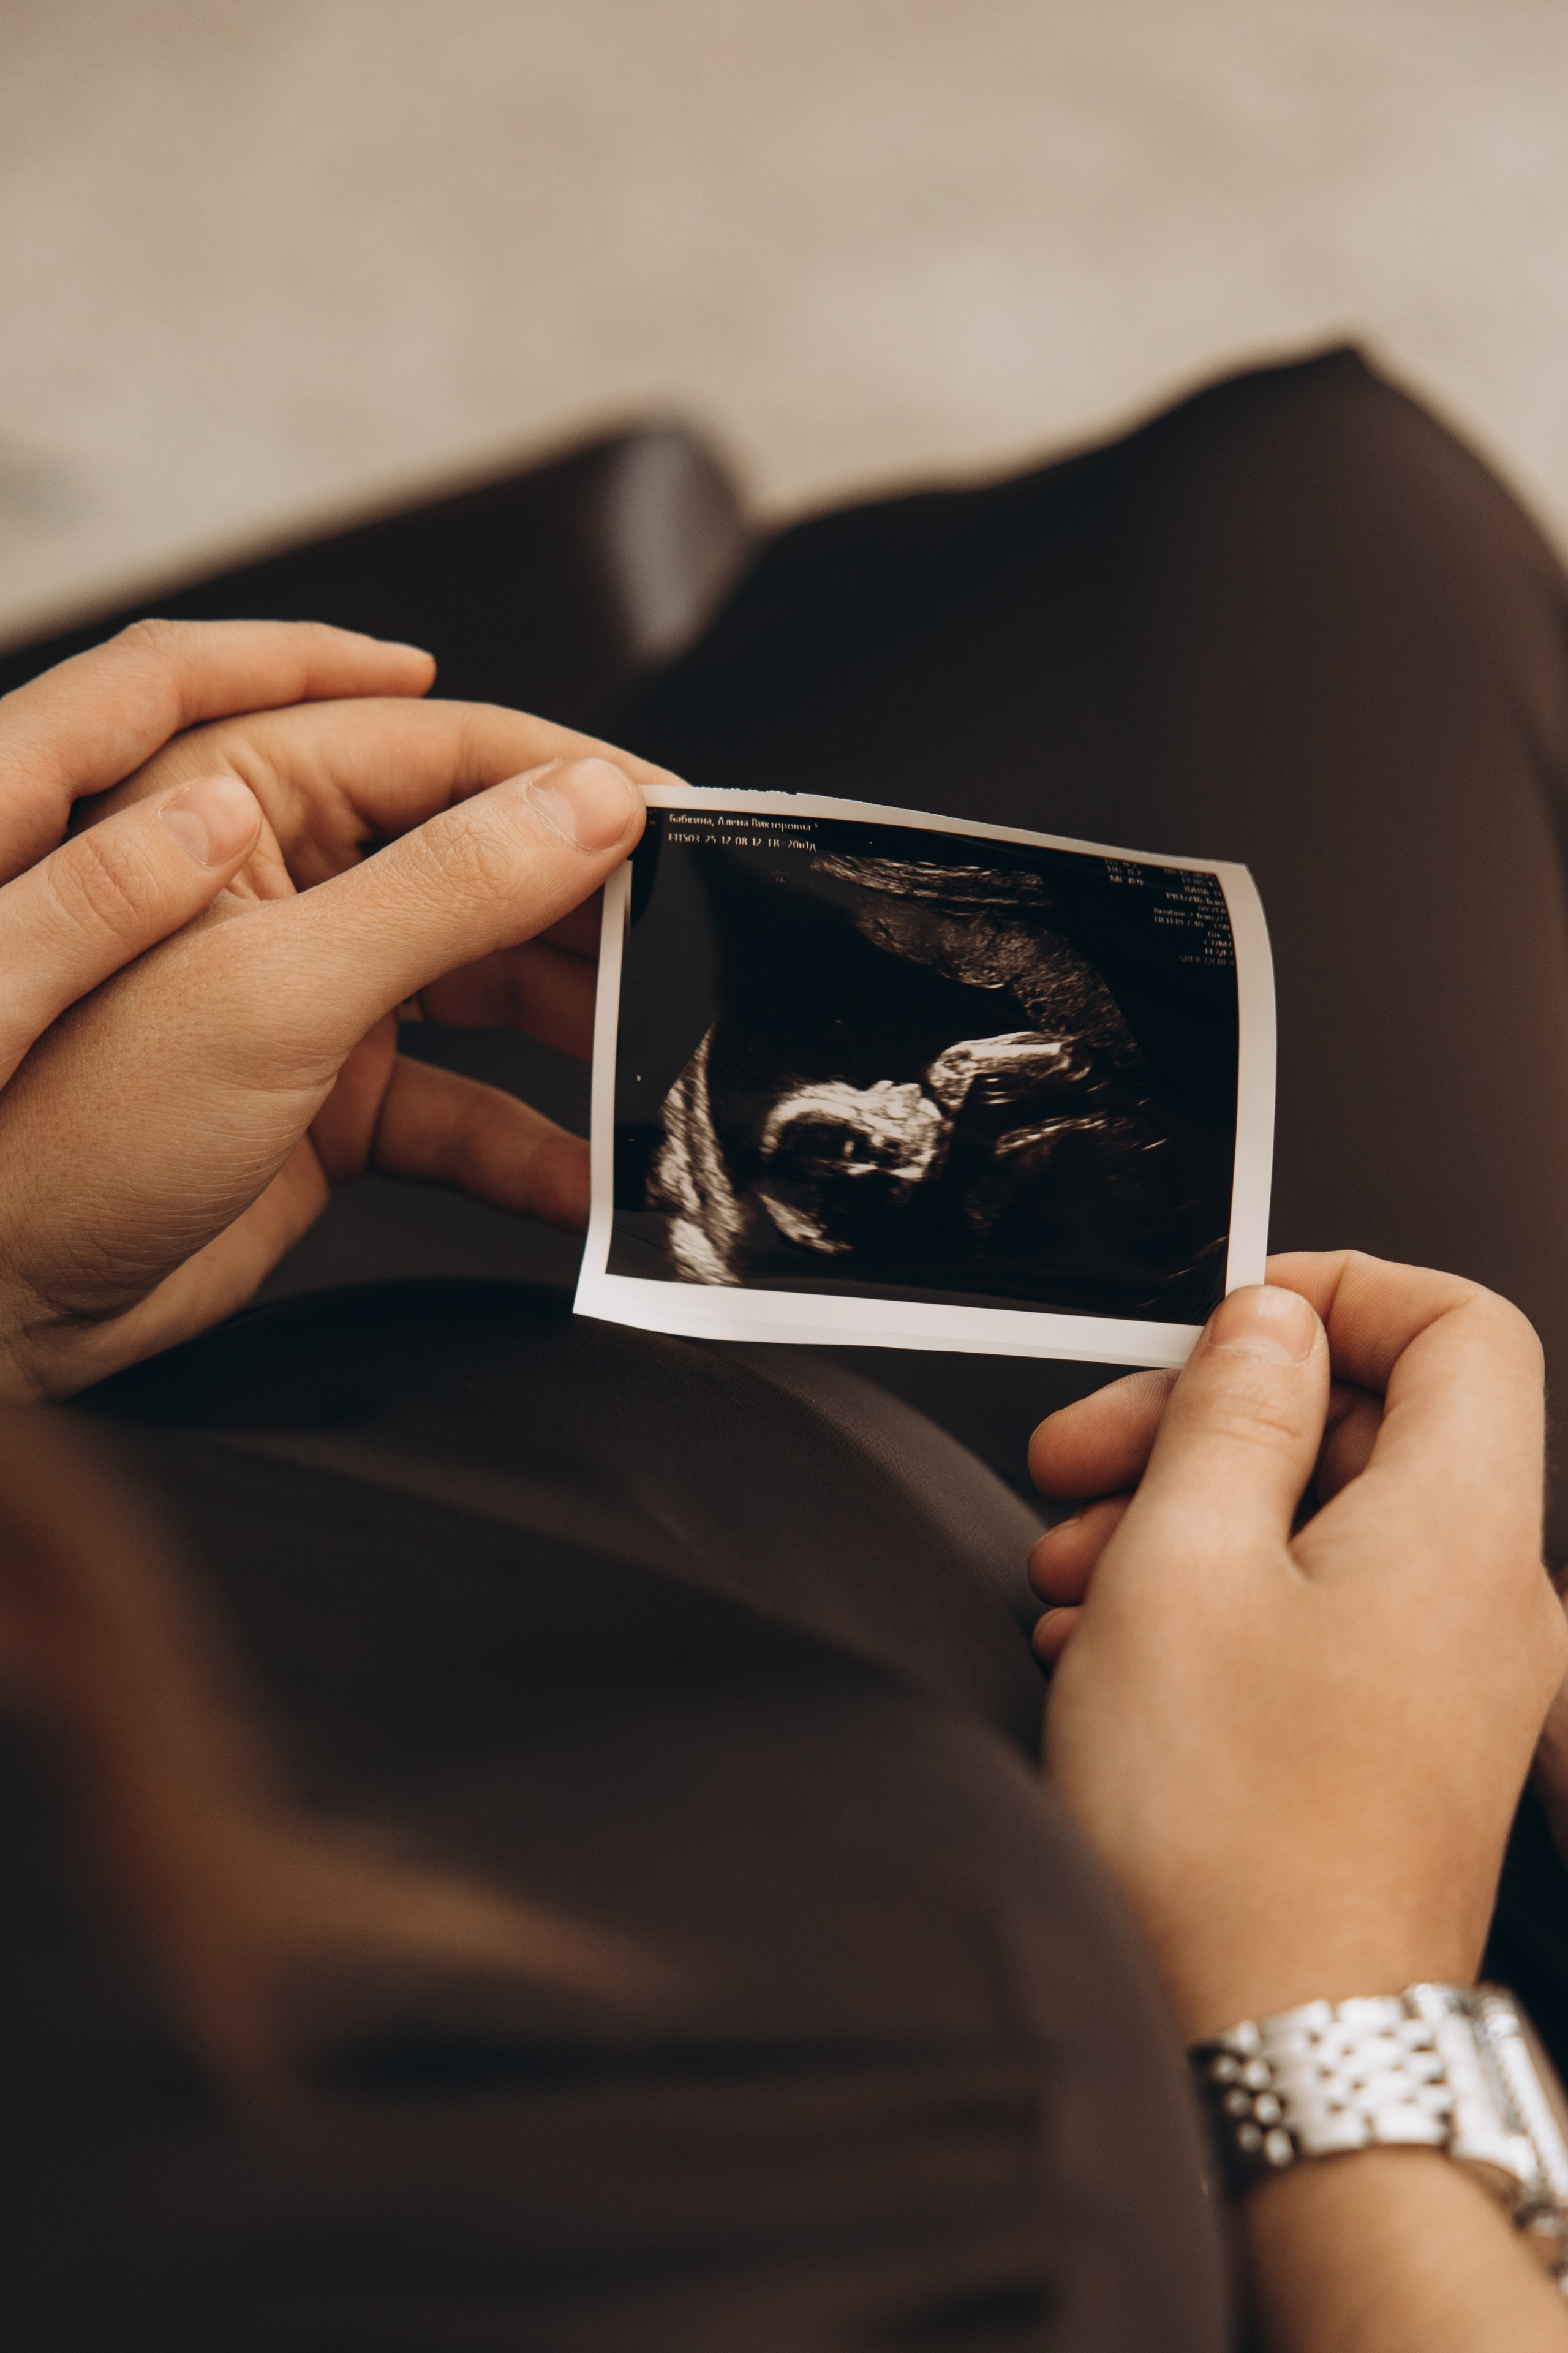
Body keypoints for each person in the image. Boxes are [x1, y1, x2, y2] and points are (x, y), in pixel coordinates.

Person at [1, 342, 1567, 2349]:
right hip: (1284, 2055)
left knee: (1304, 513)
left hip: (332, 1433)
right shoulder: (922, 2159)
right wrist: (1335, 2033)